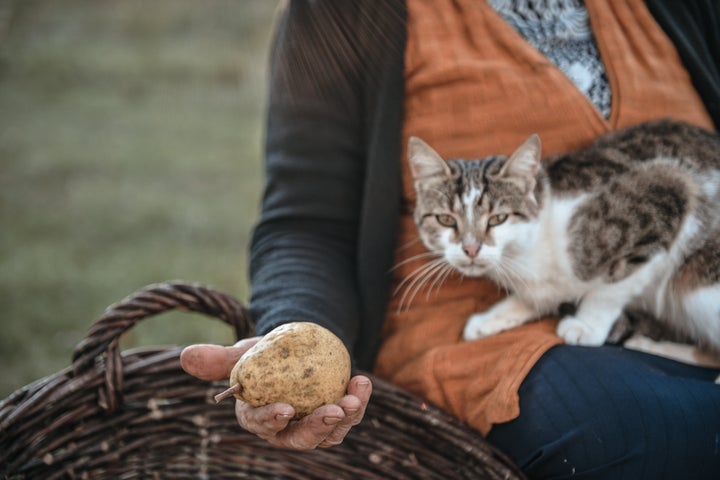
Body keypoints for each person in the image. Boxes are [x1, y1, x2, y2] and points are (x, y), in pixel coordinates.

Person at [181, 0, 720, 477]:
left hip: (669, 297)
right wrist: (295, 338)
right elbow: (308, 221)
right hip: (473, 336)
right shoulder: (343, 12)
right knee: (647, 429)